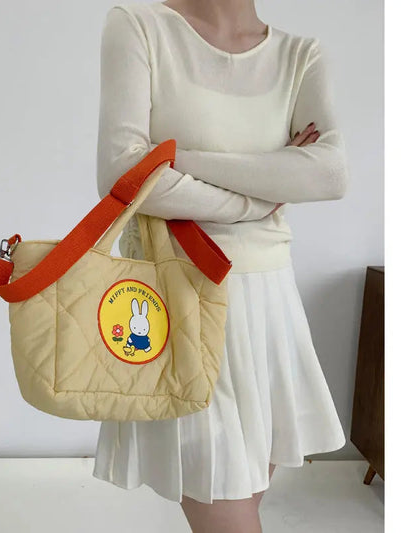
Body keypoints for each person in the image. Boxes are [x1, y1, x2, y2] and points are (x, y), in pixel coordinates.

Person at [93, 1, 349, 531]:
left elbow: (328, 175)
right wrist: (262, 192)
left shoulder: (300, 55)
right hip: (180, 305)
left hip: (271, 314)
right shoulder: (140, 28)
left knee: (241, 506)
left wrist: (178, 159)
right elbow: (123, 175)